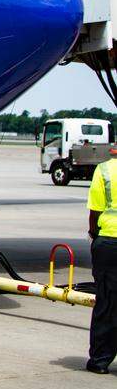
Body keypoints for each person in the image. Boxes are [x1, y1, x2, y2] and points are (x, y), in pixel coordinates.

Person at [86, 157, 117, 374]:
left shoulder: (105, 170)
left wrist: (93, 234)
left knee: (106, 303)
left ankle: (100, 361)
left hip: (109, 241)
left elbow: (95, 209)